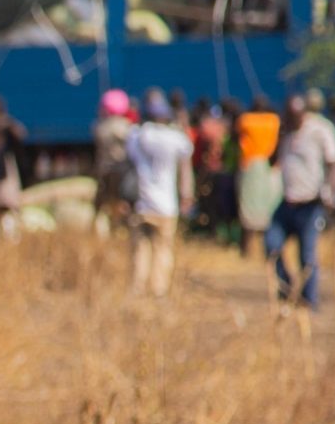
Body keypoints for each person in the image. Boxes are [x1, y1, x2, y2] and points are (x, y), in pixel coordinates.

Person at [269, 93, 335, 309]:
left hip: (311, 203)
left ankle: (310, 301)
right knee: (271, 244)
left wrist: (330, 192)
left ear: (303, 114)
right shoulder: (287, 133)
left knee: (307, 254)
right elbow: (272, 161)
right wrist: (281, 135)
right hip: (287, 202)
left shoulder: (321, 130)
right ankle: (288, 290)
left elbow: (334, 162)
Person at [126, 90, 194, 297]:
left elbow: (128, 162)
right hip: (166, 206)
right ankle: (159, 291)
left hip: (142, 203)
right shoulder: (176, 139)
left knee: (140, 249)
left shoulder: (138, 136)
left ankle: (137, 289)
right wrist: (186, 196)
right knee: (163, 250)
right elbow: (185, 171)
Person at [235, 93, 282, 255]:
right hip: (268, 167)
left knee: (247, 208)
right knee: (267, 208)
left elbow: (236, 137)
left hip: (249, 166)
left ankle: (246, 250)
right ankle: (266, 249)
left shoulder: (246, 120)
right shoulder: (273, 120)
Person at [193, 97, 233, 241]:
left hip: (214, 173)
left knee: (214, 204)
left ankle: (217, 232)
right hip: (216, 172)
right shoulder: (219, 129)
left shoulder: (209, 128)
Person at [93, 89, 136, 217]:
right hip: (122, 170)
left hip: (105, 170)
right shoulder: (126, 126)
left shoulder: (101, 127)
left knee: (106, 200)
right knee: (122, 200)